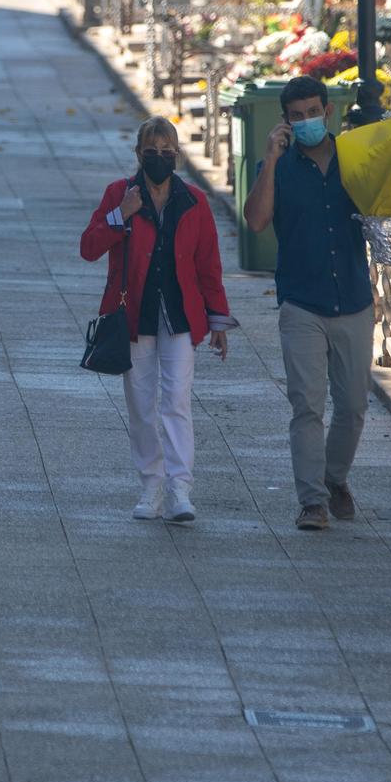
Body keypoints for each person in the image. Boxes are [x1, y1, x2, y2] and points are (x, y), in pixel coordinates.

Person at [80, 117, 235, 524]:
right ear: (138, 155)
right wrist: (120, 215)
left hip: (180, 316)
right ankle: (151, 487)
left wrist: (218, 320)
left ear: (178, 156)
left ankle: (180, 489)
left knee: (177, 402)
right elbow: (89, 247)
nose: (160, 159)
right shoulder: (120, 193)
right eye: (152, 153)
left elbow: (208, 264)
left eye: (168, 153)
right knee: (141, 405)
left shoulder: (195, 201)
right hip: (135, 315)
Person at [240, 75, 373, 531]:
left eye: (312, 112)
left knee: (354, 406)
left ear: (327, 112)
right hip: (301, 302)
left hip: (354, 298)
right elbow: (256, 221)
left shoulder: (355, 158)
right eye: (296, 117)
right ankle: (312, 501)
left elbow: (386, 204)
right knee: (307, 406)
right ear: (285, 121)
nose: (306, 122)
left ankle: (334, 479)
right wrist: (272, 162)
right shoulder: (277, 166)